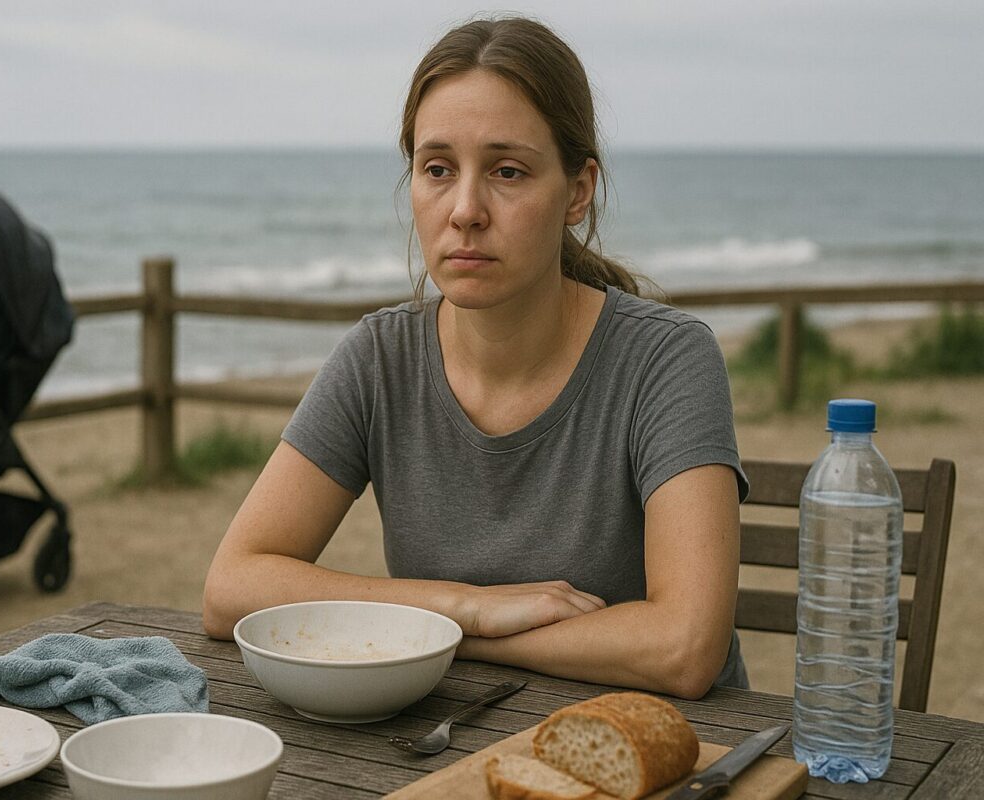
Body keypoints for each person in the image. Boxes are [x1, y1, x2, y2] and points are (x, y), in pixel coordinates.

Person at [203, 16, 749, 698]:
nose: (465, 209)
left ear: (578, 191)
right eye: (437, 169)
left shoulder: (666, 360)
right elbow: (232, 586)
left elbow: (684, 647)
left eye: (508, 171)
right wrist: (467, 606)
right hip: (449, 743)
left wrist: (456, 639)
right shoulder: (380, 358)